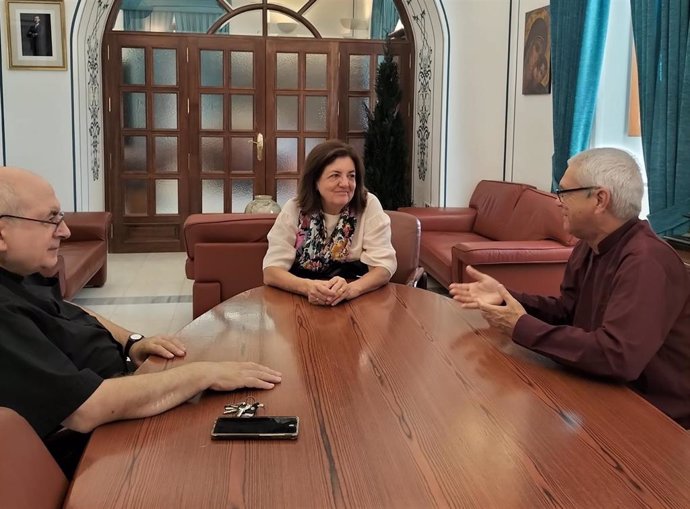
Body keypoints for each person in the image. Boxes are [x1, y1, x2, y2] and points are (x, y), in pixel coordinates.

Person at [0, 167, 282, 475]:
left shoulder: (20, 277)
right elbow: (86, 409)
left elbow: (70, 310)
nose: (65, 230)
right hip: (96, 448)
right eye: (51, 218)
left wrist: (132, 342)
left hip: (124, 394)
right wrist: (202, 375)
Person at [450, 148, 690, 427]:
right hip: (599, 390)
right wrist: (506, 298)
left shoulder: (647, 261)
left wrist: (521, 326)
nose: (557, 201)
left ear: (600, 199)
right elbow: (568, 312)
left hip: (654, 417)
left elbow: (617, 357)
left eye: (564, 192)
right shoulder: (590, 245)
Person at [263, 140, 396, 306]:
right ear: (315, 181)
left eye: (351, 176)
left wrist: (351, 289)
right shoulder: (295, 208)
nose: (345, 184)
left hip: (356, 300)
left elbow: (383, 268)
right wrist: (307, 287)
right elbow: (271, 272)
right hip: (301, 301)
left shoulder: (368, 205)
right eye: (335, 175)